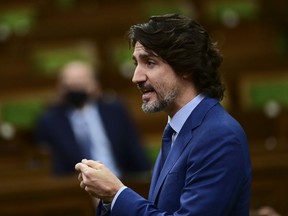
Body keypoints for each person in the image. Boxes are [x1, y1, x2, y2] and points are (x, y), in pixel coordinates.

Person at [75, 13, 251, 215]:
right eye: (136, 64)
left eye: (150, 62)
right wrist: (109, 199)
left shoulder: (219, 136)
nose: (136, 77)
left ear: (186, 67)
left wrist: (116, 194)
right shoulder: (177, 130)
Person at [35, 60, 151, 177]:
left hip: (121, 179)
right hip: (76, 188)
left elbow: (134, 149)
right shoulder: (50, 120)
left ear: (94, 84)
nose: (76, 89)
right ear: (61, 87)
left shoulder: (114, 111)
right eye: (71, 85)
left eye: (81, 83)